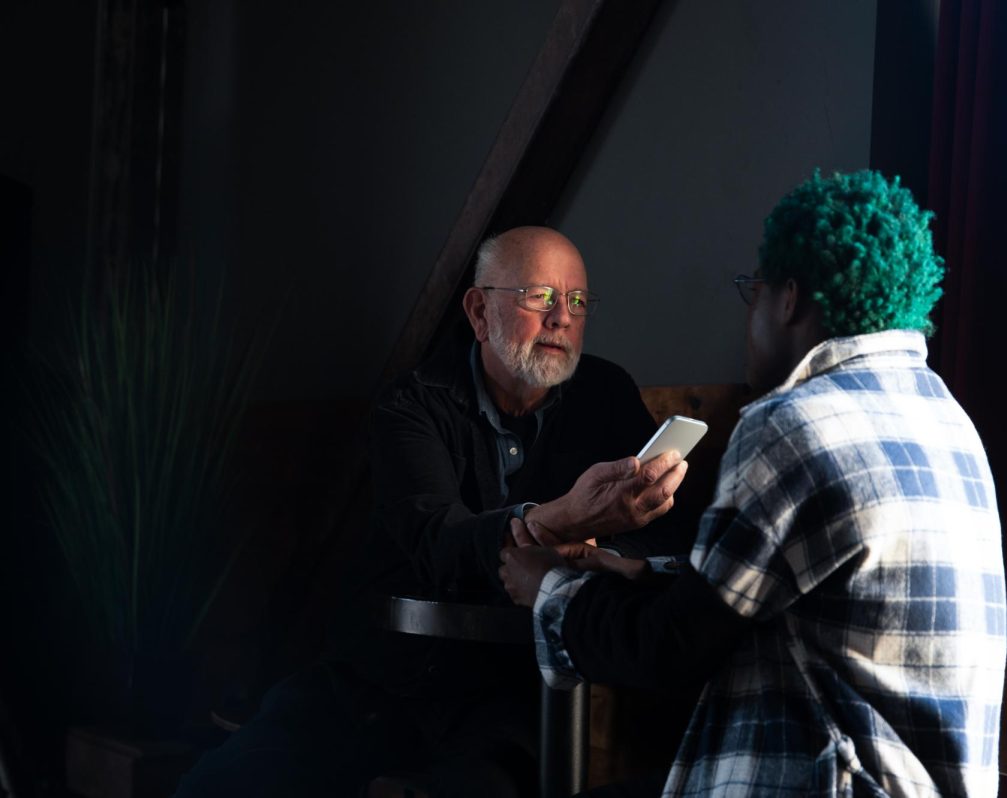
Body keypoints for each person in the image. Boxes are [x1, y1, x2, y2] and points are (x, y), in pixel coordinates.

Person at [500, 171, 1007, 797]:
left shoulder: (793, 423)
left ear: (789, 299)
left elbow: (671, 652)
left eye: (755, 293)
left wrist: (548, 587)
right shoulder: (947, 419)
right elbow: (790, 599)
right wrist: (642, 575)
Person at [175, 226, 691, 797]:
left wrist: (607, 553)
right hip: (387, 676)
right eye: (539, 297)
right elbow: (437, 542)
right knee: (229, 780)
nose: (561, 318)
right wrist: (565, 517)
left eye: (575, 302)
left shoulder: (606, 393)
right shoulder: (413, 402)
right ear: (478, 310)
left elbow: (673, 538)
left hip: (521, 689)